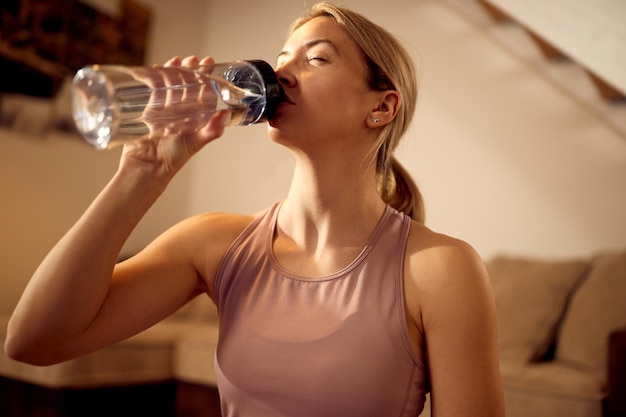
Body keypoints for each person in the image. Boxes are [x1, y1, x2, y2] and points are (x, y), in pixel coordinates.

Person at [5, 2, 505, 416]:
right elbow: (34, 341)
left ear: (381, 107)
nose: (281, 72)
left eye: (317, 59)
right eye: (282, 57)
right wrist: (140, 175)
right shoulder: (213, 244)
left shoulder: (440, 270)